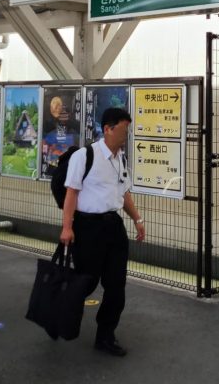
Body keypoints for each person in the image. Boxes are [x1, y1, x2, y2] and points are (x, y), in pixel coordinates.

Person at [59, 107, 145, 357]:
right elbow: (71, 193)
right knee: (85, 282)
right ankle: (57, 312)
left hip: (113, 227)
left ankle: (105, 335)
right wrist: (67, 228)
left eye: (127, 130)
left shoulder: (121, 159)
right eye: (123, 130)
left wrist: (137, 218)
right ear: (107, 129)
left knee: (116, 286)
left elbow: (124, 193)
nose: (126, 135)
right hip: (87, 228)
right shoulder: (85, 156)